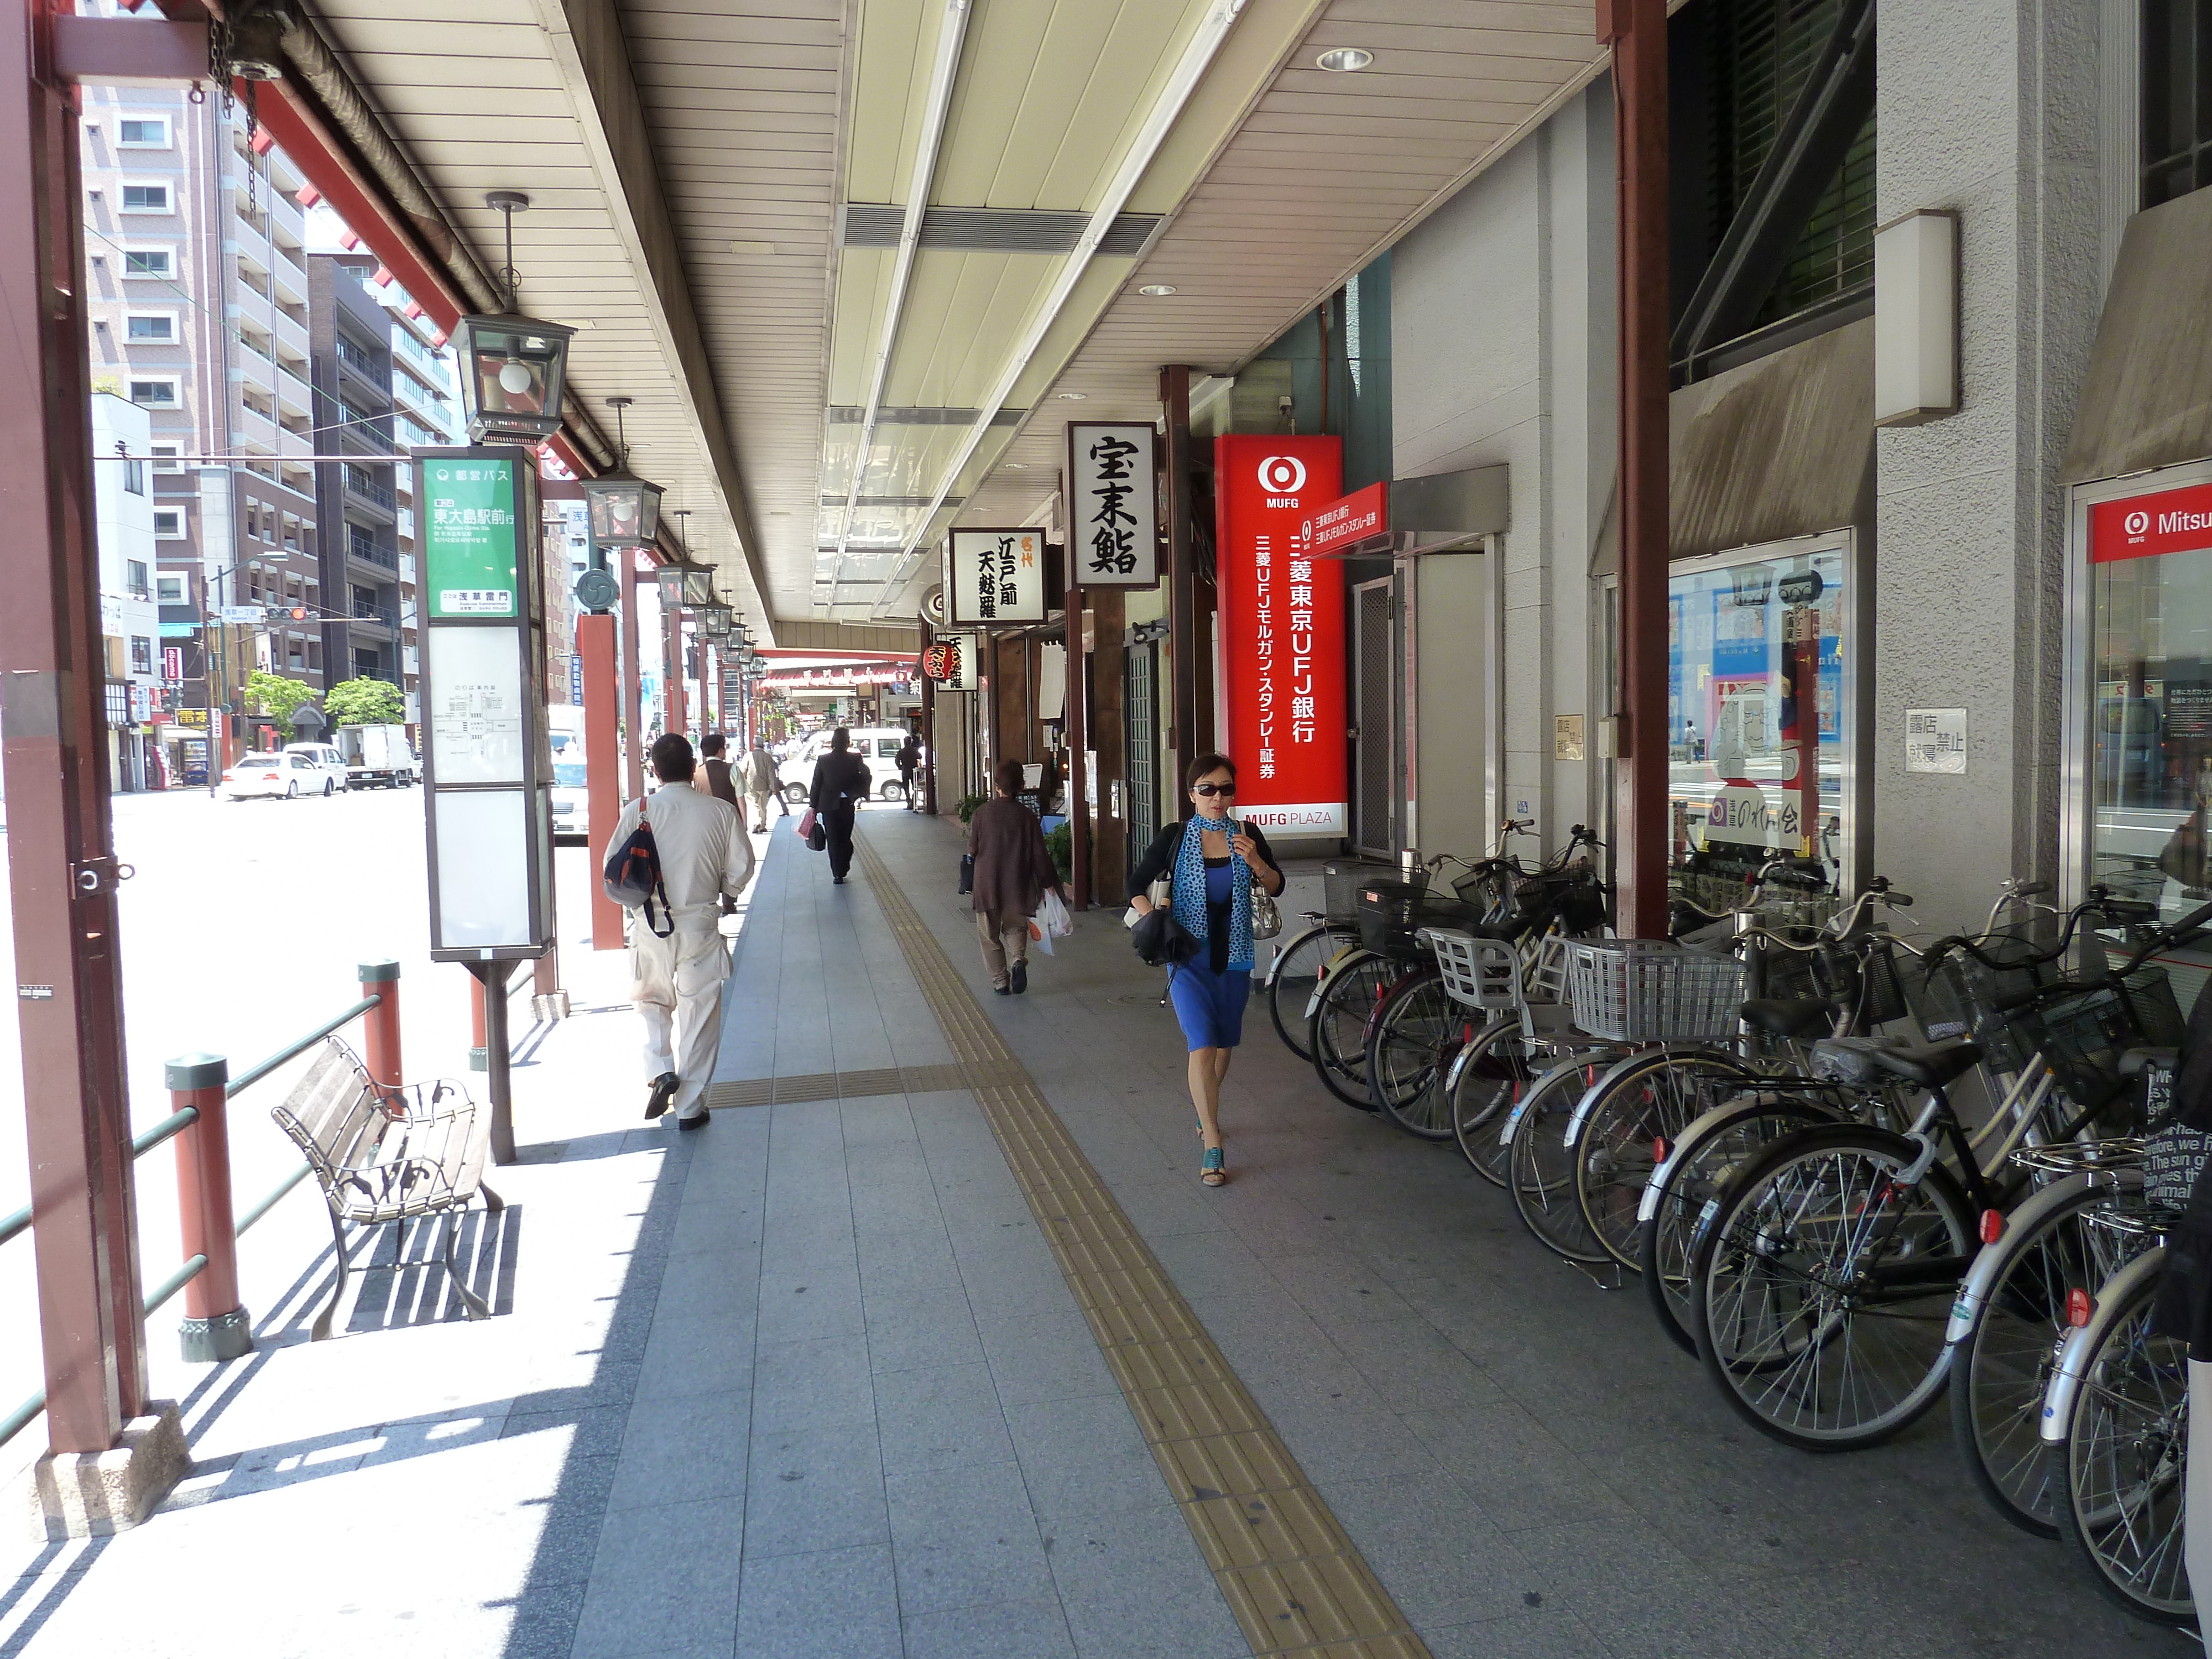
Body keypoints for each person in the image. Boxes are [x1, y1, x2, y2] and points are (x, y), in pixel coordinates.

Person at [1127, 754, 1284, 1187]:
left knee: (1223, 1043)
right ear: (1192, 793)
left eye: (1226, 789)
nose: (1218, 798)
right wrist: (1151, 920)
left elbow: (1277, 885)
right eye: (1208, 789)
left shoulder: (1248, 834)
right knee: (1201, 1041)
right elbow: (1134, 885)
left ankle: (1205, 1110)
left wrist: (1257, 863)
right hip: (1188, 956)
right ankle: (1212, 1139)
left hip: (1234, 955)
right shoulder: (1175, 837)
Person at [603, 733, 754, 1130]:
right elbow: (742, 868)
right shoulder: (720, 812)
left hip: (650, 925)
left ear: (654, 770)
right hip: (701, 926)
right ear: (693, 769)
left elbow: (612, 869)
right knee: (699, 1014)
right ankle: (689, 1107)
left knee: (652, 1001)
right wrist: (726, 891)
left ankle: (660, 1069)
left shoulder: (639, 810)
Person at [967, 758, 1065, 995]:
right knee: (1015, 927)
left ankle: (1001, 981)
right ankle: (1018, 960)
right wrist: (1049, 883)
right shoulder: (1028, 816)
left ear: (997, 785)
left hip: (988, 884)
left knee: (989, 935)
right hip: (1018, 882)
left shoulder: (982, 814)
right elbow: (1039, 855)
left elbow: (972, 849)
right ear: (1021, 785)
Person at [808, 726, 871, 884]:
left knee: (833, 839)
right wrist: (859, 793)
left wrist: (813, 806)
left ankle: (837, 872)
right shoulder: (855, 758)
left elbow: (816, 784)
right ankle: (842, 866)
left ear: (833, 742)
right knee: (845, 837)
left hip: (828, 805)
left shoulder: (823, 760)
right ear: (848, 742)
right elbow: (867, 776)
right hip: (847, 804)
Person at [736, 738, 784, 832]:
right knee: (763, 806)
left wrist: (741, 784)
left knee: (753, 805)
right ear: (763, 745)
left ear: (754, 745)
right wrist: (774, 787)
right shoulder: (767, 756)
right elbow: (771, 773)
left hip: (751, 785)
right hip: (764, 786)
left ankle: (756, 822)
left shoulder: (748, 756)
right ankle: (762, 826)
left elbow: (743, 771)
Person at [693, 732, 742, 813]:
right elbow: (740, 798)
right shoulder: (733, 769)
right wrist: (744, 823)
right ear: (720, 751)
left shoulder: (697, 772)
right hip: (729, 817)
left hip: (706, 817)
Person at [896, 732, 922, 811]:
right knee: (915, 787)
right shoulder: (914, 751)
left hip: (905, 771)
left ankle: (909, 801)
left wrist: (900, 767)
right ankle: (913, 801)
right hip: (914, 771)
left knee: (906, 787)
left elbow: (897, 760)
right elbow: (920, 757)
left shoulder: (902, 751)